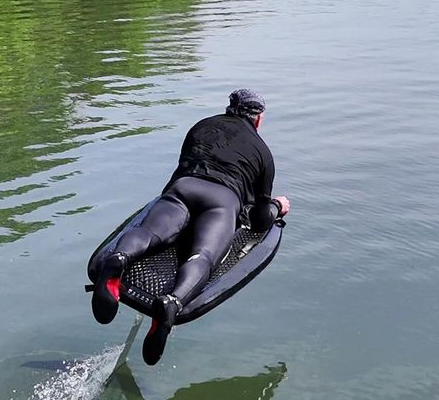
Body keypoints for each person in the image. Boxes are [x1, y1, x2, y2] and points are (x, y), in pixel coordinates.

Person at [91, 88, 291, 364]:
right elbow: (260, 220)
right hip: (221, 203)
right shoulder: (262, 152)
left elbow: (181, 168)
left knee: (150, 233)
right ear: (258, 119)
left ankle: (119, 259)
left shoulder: (202, 127)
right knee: (203, 257)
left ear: (230, 108)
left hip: (182, 190)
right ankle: (171, 303)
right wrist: (278, 206)